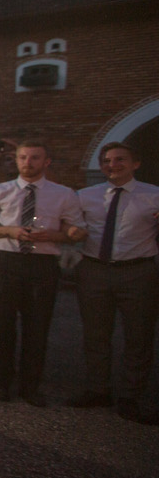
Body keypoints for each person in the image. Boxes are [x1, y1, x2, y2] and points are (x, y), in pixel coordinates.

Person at [0, 140, 84, 406]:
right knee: (2, 324)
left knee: (37, 327)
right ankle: (1, 383)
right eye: (23, 157)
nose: (28, 163)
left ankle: (30, 387)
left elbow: (77, 230)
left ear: (46, 162)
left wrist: (57, 234)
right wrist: (9, 230)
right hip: (6, 260)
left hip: (42, 264)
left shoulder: (64, 194)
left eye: (35, 158)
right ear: (16, 160)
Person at [70, 142, 159, 423]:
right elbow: (67, 224)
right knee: (96, 334)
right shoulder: (84, 196)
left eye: (120, 159)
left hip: (138, 272)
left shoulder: (154, 196)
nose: (112, 165)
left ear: (135, 163)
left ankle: (130, 396)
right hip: (94, 270)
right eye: (107, 161)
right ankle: (98, 390)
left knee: (139, 336)